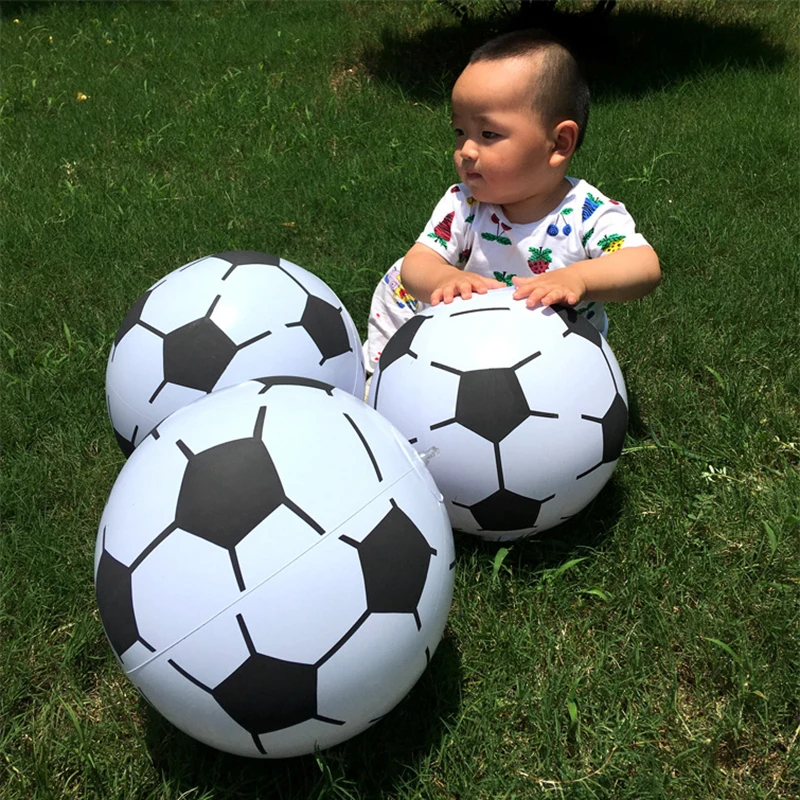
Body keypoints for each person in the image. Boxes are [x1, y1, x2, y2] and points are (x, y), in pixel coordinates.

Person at [363, 28, 661, 371]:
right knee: (398, 281)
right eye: (460, 132)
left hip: (558, 355)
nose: (467, 151)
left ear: (559, 143)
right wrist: (444, 280)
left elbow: (644, 266)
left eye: (489, 134)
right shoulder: (464, 204)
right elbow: (416, 264)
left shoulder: (586, 211)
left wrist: (577, 279)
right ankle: (385, 377)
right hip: (464, 344)